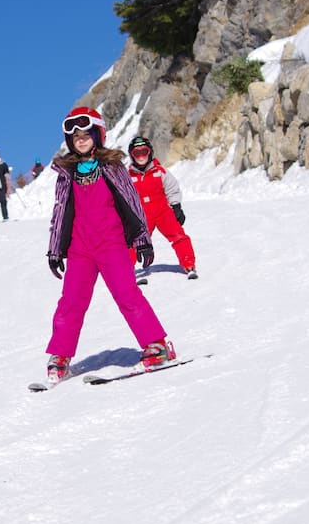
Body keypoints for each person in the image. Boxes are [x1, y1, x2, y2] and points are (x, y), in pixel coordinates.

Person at [43, 106, 176, 386]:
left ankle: (156, 344)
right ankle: (60, 357)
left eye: (85, 134)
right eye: (75, 137)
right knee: (71, 302)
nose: (80, 140)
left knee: (127, 294)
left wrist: (142, 239)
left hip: (111, 243)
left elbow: (132, 202)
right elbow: (59, 213)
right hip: (80, 249)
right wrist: (55, 250)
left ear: (97, 135)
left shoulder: (112, 167)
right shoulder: (66, 174)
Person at [126, 135, 198, 279]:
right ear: (132, 155)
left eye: (144, 152)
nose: (141, 156)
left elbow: (172, 188)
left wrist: (176, 206)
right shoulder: (128, 176)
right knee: (133, 241)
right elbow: (124, 196)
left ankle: (188, 264)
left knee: (178, 236)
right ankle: (126, 271)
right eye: (136, 153)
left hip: (163, 212)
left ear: (150, 152)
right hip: (142, 216)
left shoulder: (159, 171)